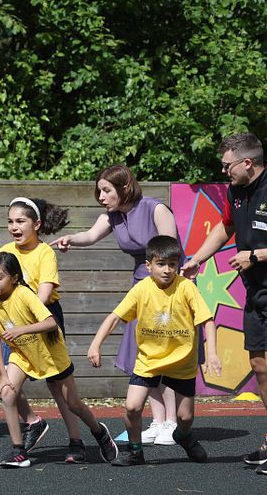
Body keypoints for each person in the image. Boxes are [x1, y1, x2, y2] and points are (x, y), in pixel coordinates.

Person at [50, 165, 182, 446]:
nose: (101, 196)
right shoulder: (112, 216)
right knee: (143, 355)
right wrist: (70, 239)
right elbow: (89, 235)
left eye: (106, 190)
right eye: (99, 191)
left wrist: (165, 286)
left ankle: (172, 422)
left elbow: (172, 250)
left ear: (124, 188)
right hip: (140, 286)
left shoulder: (155, 209)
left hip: (167, 287)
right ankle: (158, 421)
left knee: (164, 355)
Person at [0, 197, 85, 461]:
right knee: (6, 382)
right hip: (13, 322)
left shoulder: (44, 253)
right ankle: (31, 423)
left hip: (43, 320)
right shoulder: (7, 249)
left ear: (36, 224)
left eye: (20, 221)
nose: (14, 227)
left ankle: (76, 441)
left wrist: (27, 317)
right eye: (10, 221)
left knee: (58, 388)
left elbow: (45, 294)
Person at [0, 252, 118, 468]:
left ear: (14, 278)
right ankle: (18, 451)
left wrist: (21, 330)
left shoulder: (24, 295)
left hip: (50, 354)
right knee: (7, 393)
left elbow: (51, 322)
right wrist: (3, 375)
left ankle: (100, 432)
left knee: (73, 404)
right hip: (22, 354)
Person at [91, 235, 221, 466]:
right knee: (132, 407)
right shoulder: (141, 289)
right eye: (161, 264)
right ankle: (135, 452)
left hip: (182, 362)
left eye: (172, 264)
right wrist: (96, 344)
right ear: (148, 265)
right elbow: (115, 318)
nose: (167, 270)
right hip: (149, 361)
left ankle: (183, 436)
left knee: (185, 417)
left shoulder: (186, 288)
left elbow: (207, 320)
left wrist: (211, 353)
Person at [181, 133, 267, 475]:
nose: (223, 170)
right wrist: (197, 259)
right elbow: (224, 227)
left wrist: (256, 257)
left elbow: (252, 252)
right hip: (257, 296)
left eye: (227, 165)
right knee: (260, 368)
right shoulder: (236, 192)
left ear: (248, 163)